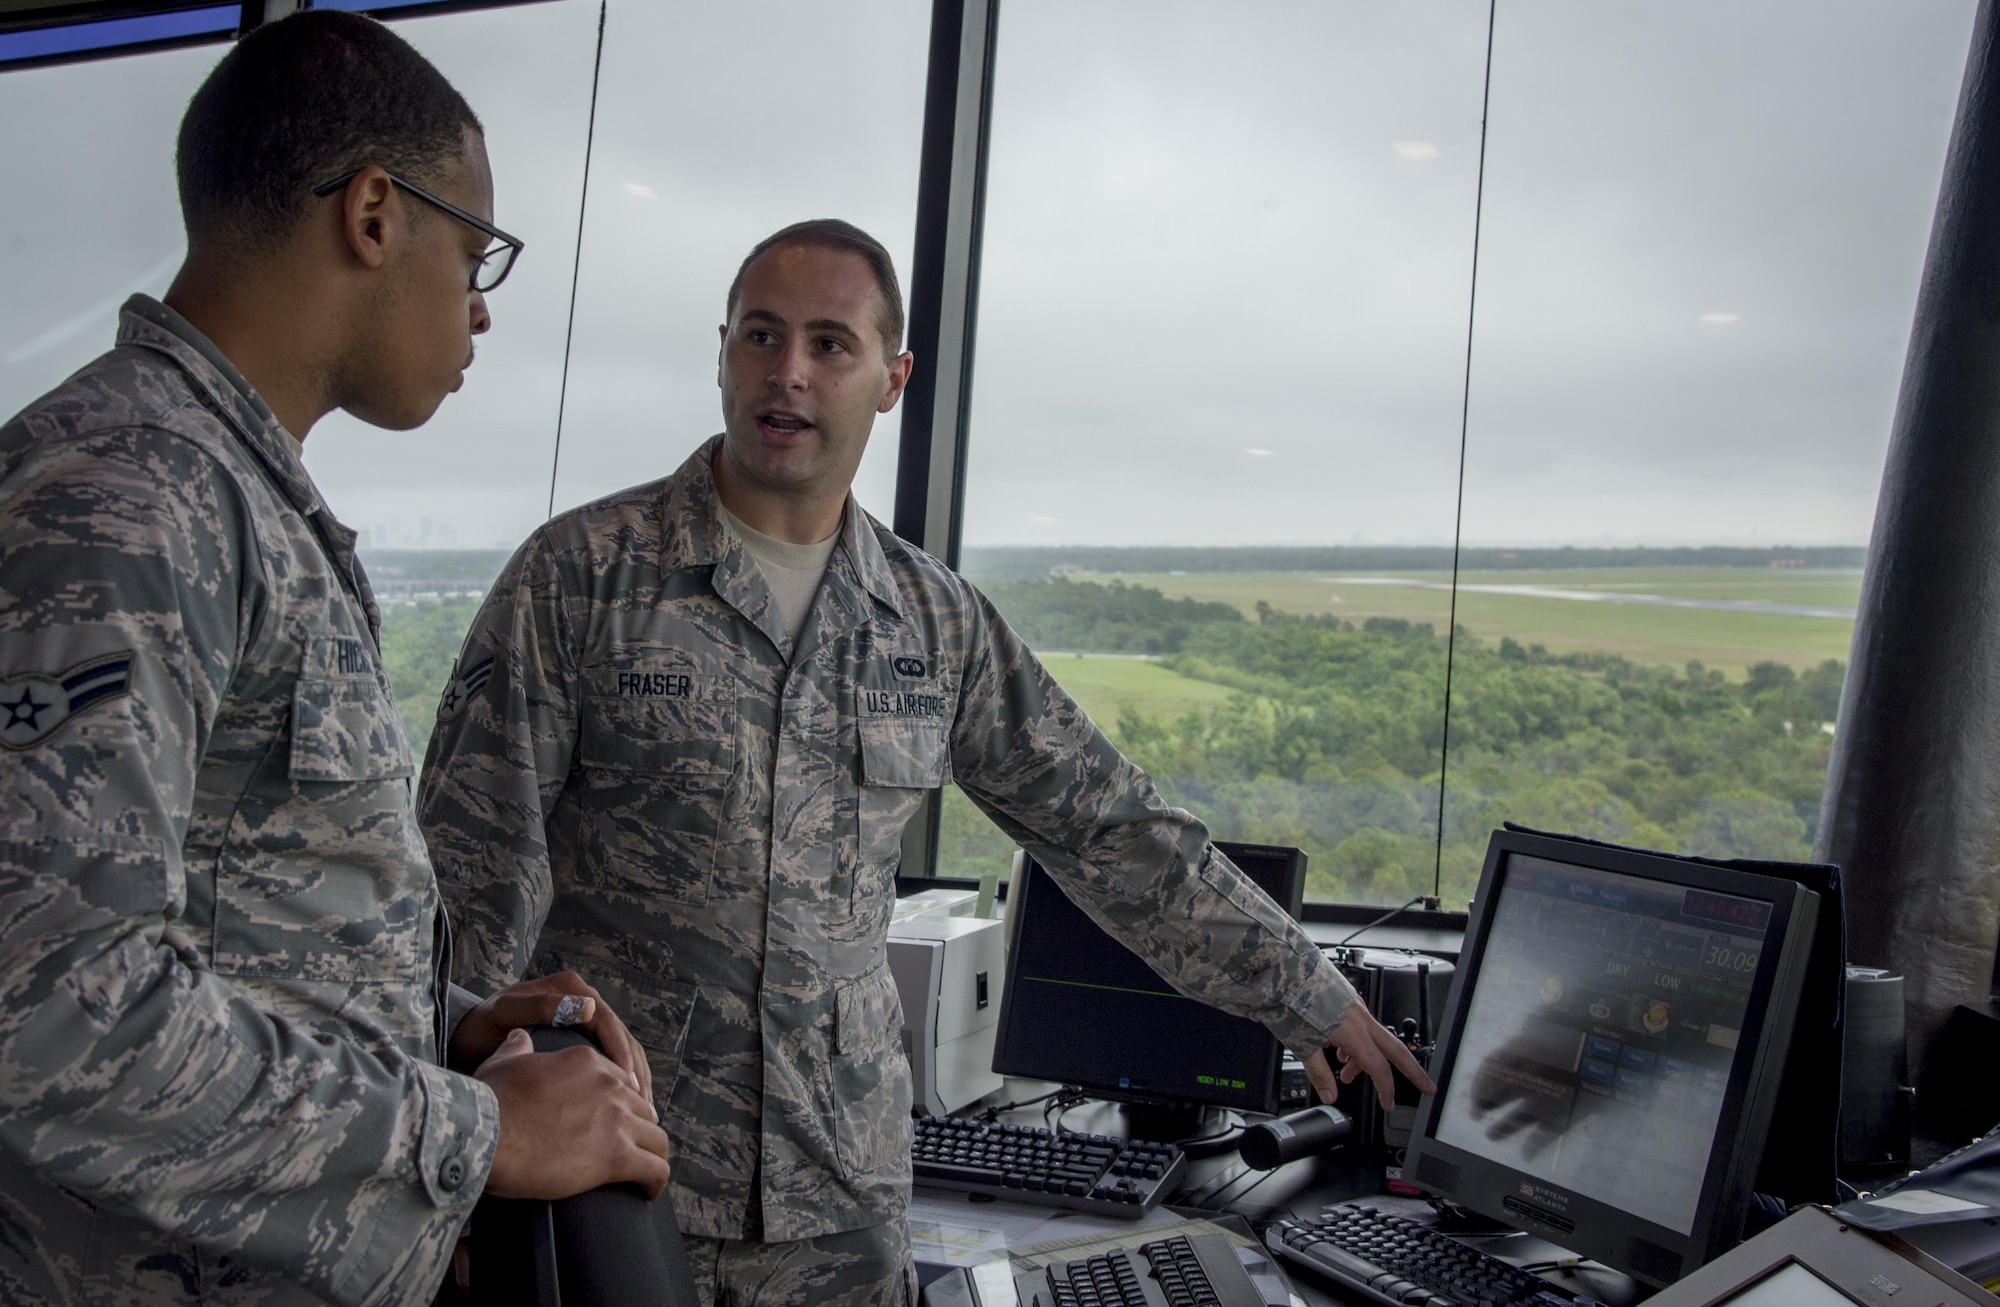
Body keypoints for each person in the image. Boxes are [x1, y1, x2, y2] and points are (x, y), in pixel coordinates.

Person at [419, 218, 1434, 1306]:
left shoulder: (931, 622)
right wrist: (449, 1176)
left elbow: (1111, 828)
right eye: (760, 336)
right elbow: (465, 897)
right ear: (721, 352)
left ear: (891, 378)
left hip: (840, 1204)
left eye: (829, 344)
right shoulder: (579, 578)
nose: (788, 373)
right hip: (616, 1184)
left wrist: (1307, 992)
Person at [0, 14, 671, 1305]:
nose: (479, 307)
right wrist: (476, 1130)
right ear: (374, 213)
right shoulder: (131, 499)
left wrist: (442, 1022)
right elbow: (50, 1006)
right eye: (476, 253)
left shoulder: (229, 495)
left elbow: (229, 923)